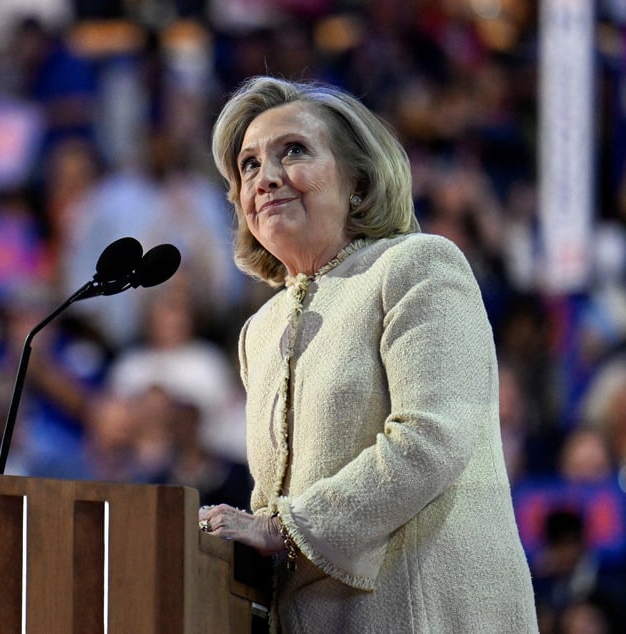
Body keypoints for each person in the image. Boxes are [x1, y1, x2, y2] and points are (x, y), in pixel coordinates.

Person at [196, 76, 537, 632]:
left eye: (294, 151)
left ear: (357, 180)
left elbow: (431, 437)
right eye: (249, 165)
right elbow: (273, 496)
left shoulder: (416, 266)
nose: (266, 178)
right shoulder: (260, 330)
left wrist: (281, 529)